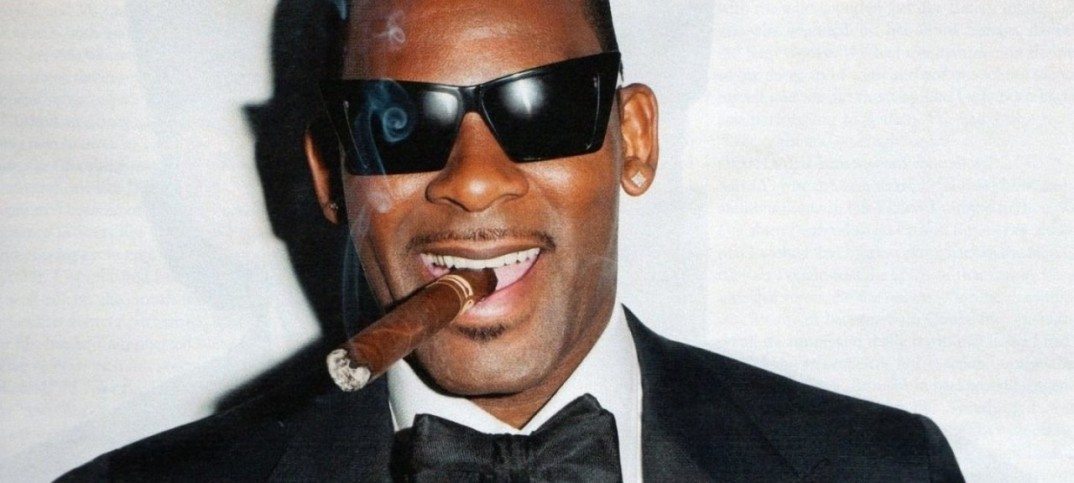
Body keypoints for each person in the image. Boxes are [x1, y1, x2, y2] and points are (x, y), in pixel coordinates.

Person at [61, 0, 963, 480]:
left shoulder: (883, 469)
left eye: (541, 106)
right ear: (334, 175)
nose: (474, 178)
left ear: (634, 140)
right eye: (400, 122)